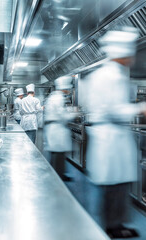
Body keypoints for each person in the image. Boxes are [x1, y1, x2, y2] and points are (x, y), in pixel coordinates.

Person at [80, 27, 146, 238]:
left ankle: (114, 224)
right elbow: (114, 109)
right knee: (115, 184)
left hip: (110, 138)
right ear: (123, 54)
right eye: (131, 54)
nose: (132, 58)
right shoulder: (111, 76)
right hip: (111, 139)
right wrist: (140, 108)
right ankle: (113, 227)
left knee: (115, 184)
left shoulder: (107, 73)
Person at [44, 76, 76, 181]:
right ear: (65, 88)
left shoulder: (53, 96)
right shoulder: (59, 98)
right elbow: (63, 115)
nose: (69, 91)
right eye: (68, 89)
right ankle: (58, 177)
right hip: (57, 129)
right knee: (58, 154)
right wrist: (74, 114)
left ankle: (58, 174)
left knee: (56, 154)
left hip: (53, 128)